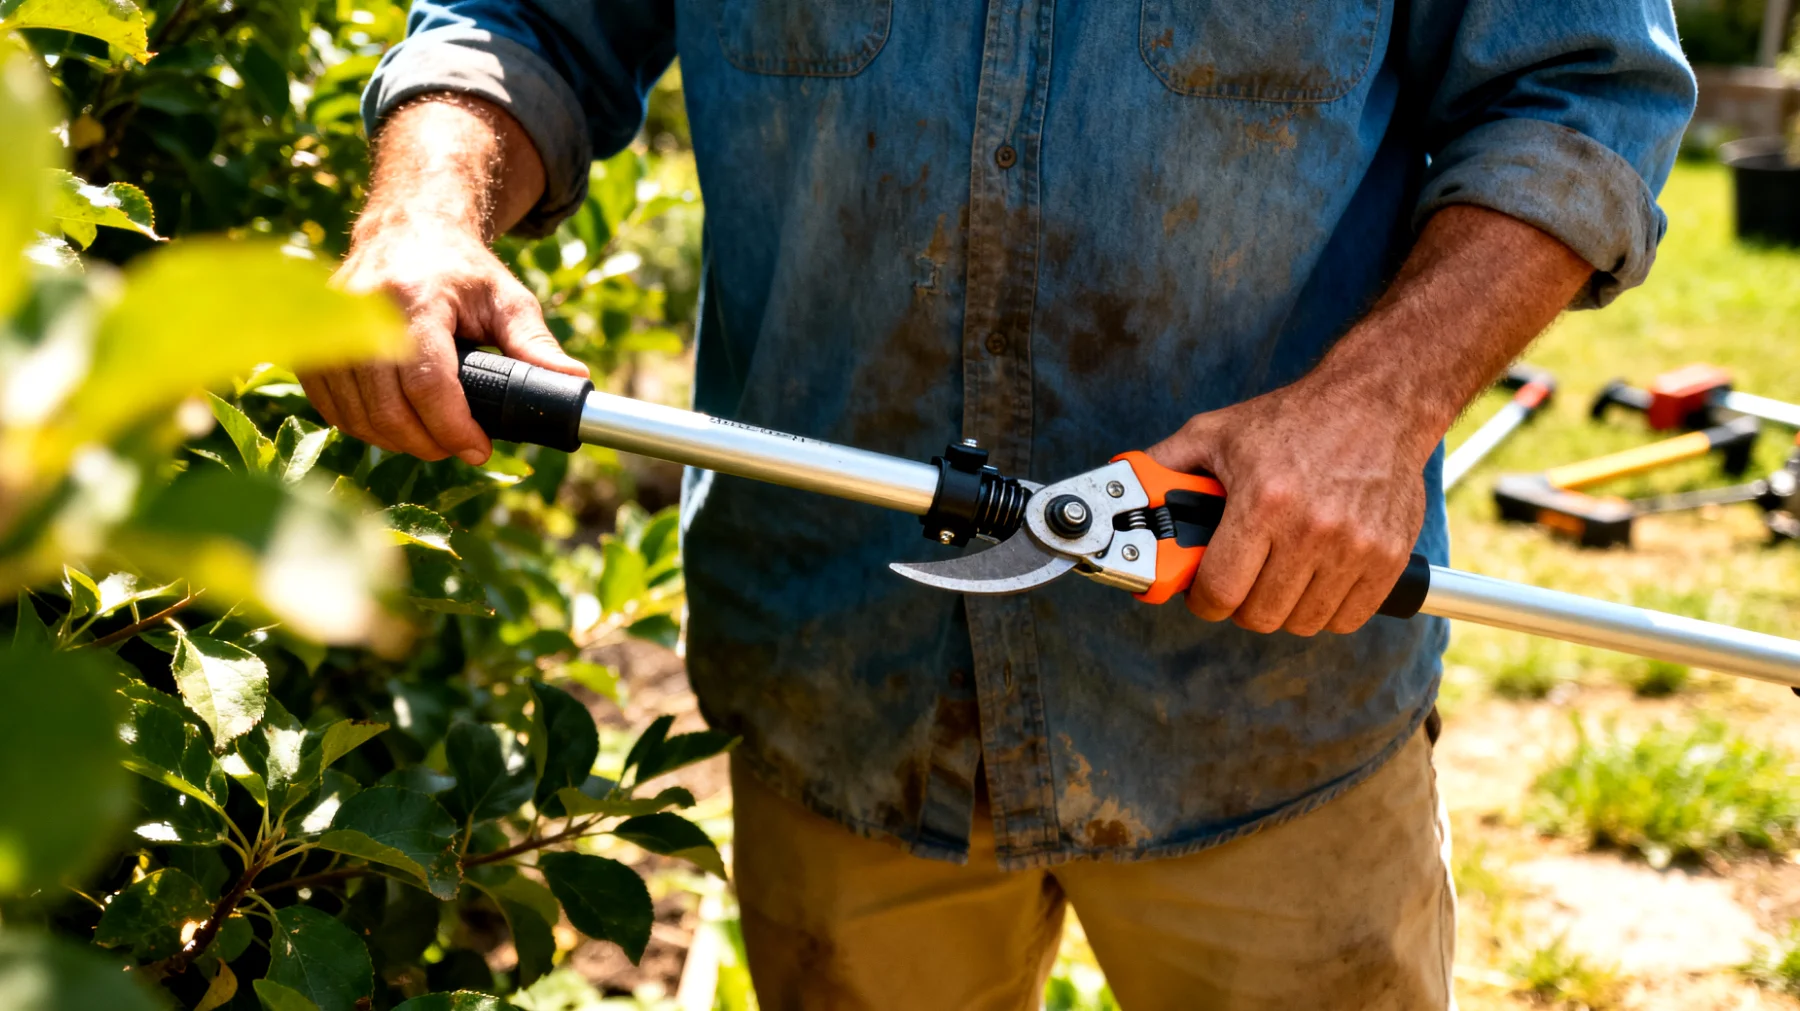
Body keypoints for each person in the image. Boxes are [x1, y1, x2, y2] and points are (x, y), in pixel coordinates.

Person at [307, 3, 1694, 1007]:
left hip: (1263, 702)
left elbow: (1583, 93)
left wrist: (1379, 407)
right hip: (842, 692)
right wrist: (424, 206)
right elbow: (521, 20)